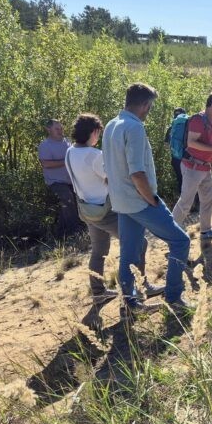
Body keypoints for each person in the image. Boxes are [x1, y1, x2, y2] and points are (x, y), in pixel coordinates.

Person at [102, 83, 192, 316]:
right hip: (139, 200)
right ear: (143, 105)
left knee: (129, 253)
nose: (149, 110)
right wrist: (151, 199)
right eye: (149, 106)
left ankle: (130, 305)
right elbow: (137, 173)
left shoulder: (111, 125)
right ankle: (174, 297)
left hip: (121, 201)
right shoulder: (134, 128)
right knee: (181, 241)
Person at [65, 114, 164, 307]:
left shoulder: (70, 152)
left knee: (99, 251)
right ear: (93, 132)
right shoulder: (94, 155)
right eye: (98, 133)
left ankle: (98, 292)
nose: (98, 138)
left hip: (87, 210)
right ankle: (140, 289)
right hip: (106, 211)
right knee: (139, 244)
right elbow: (114, 178)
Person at [172, 92, 212, 239]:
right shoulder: (198, 120)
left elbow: (205, 144)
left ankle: (205, 231)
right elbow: (192, 142)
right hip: (193, 167)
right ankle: (170, 234)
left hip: (204, 167)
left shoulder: (210, 121)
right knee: (185, 203)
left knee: (208, 199)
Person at [38, 119, 81, 237]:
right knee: (67, 199)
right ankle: (75, 233)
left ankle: (60, 235)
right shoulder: (45, 145)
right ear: (48, 129)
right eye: (57, 128)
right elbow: (46, 164)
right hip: (56, 182)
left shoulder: (67, 141)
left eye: (61, 128)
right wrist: (66, 161)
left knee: (69, 205)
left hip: (71, 180)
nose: (60, 130)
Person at [164, 107, 187, 194]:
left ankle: (182, 202)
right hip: (188, 158)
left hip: (176, 159)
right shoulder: (190, 125)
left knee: (180, 180)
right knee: (191, 181)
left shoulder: (171, 128)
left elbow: (166, 146)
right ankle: (195, 204)